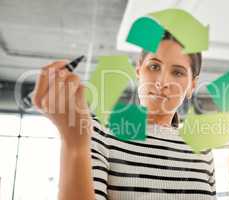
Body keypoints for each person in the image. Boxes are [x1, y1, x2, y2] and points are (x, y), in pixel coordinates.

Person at [32, 31, 216, 200]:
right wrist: (74, 145)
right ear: (138, 72)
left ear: (192, 85)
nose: (162, 82)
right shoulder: (98, 131)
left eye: (177, 72)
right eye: (154, 67)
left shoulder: (202, 150)